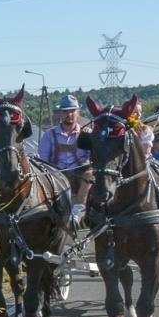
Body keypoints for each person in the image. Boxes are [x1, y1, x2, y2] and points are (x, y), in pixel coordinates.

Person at [37, 94, 92, 224]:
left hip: (80, 177)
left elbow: (93, 157)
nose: (69, 114)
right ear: (60, 113)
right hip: (56, 176)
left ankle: (78, 211)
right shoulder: (49, 135)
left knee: (91, 174)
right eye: (66, 111)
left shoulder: (87, 134)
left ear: (78, 112)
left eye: (72, 111)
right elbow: (42, 162)